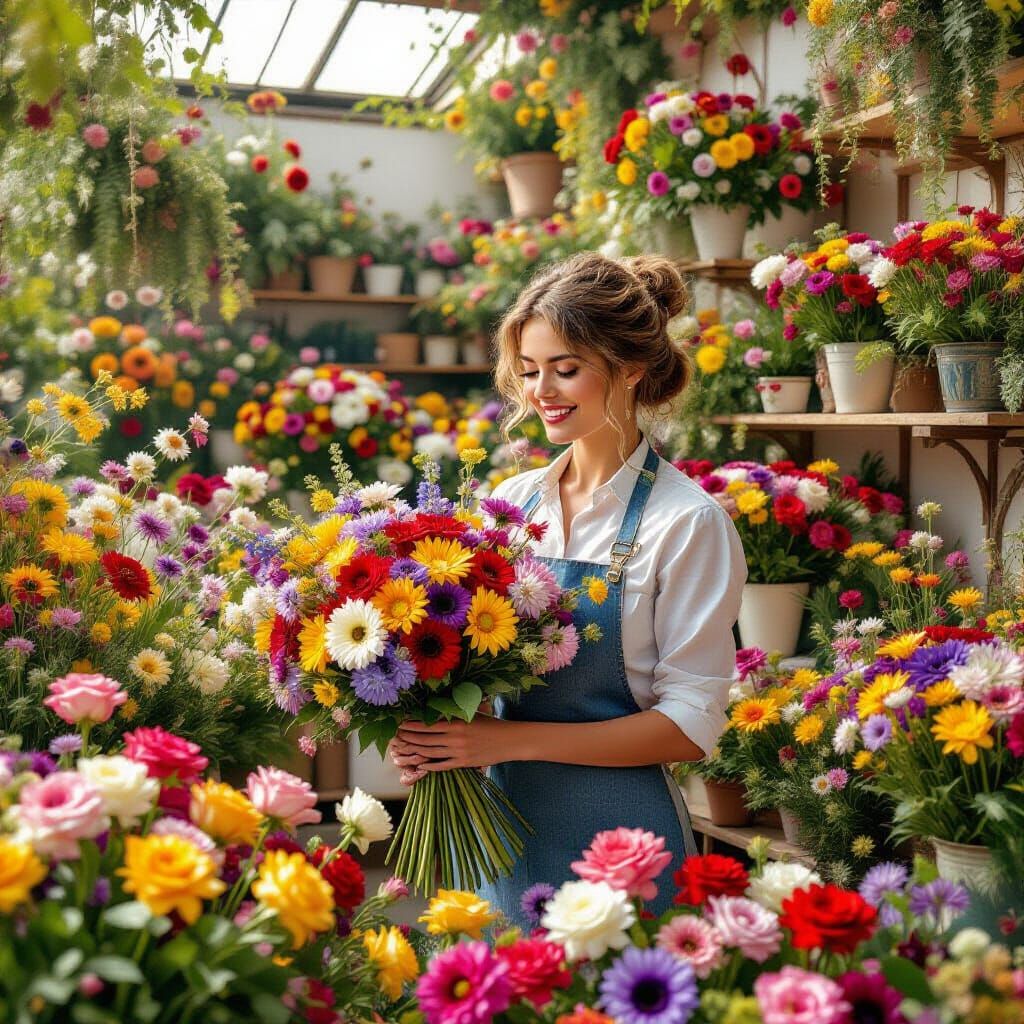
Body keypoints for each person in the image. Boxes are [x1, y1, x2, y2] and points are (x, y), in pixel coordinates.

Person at [389, 251, 746, 923]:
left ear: (631, 370)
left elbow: (689, 726)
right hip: (497, 830)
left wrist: (505, 742)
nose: (541, 392)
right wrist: (433, 734)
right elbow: (462, 663)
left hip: (622, 847)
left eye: (566, 369)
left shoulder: (687, 523)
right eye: (529, 372)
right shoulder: (511, 507)